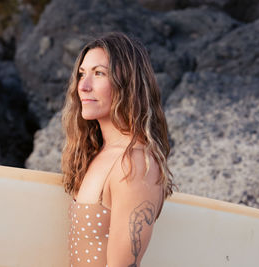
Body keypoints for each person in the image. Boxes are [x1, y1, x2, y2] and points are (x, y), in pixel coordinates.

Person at [62, 32, 173, 267]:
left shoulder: (134, 165)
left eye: (99, 73)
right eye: (82, 74)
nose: (83, 86)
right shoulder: (98, 153)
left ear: (128, 84)